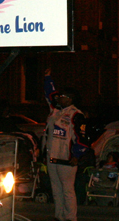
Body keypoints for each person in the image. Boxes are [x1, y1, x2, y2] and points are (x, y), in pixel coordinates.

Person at [43, 69, 90, 221]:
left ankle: (71, 218)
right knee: (56, 189)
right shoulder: (55, 111)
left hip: (67, 159)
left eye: (63, 97)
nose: (59, 98)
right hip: (52, 156)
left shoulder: (76, 114)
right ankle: (59, 216)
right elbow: (50, 93)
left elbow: (82, 138)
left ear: (70, 99)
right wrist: (47, 77)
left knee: (67, 190)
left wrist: (76, 155)